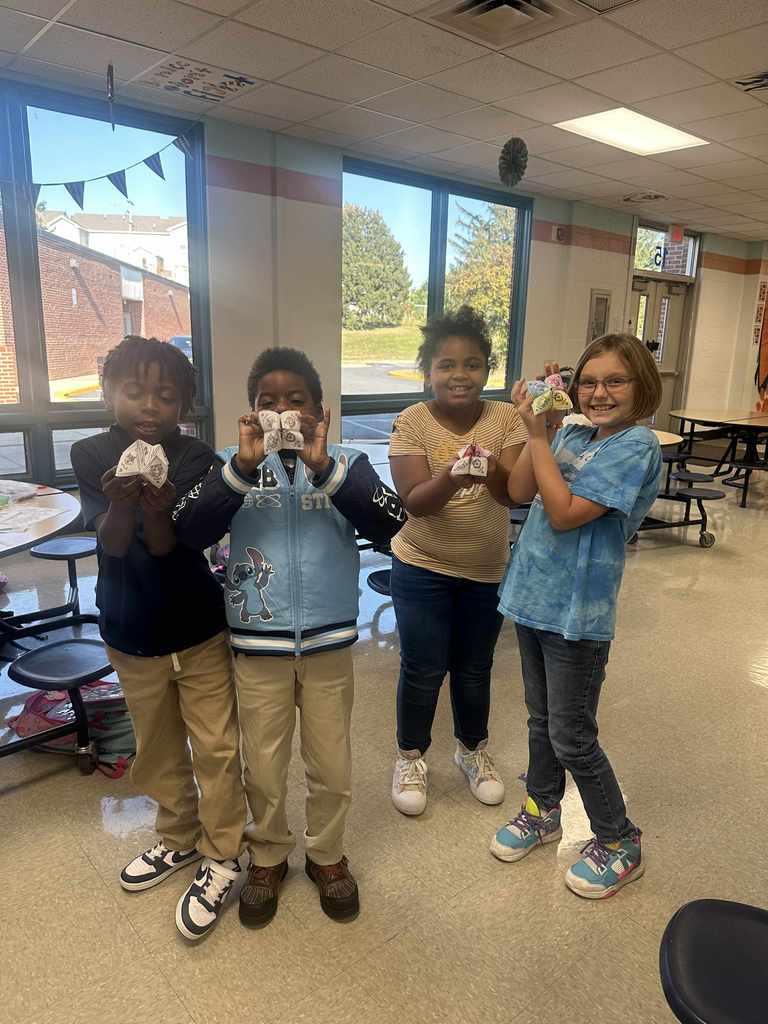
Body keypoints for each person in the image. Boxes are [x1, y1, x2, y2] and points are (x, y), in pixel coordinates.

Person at [173, 347, 405, 927]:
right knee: (265, 765)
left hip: (328, 646)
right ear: (251, 413)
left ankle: (327, 855)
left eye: (296, 401)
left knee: (332, 764)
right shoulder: (232, 465)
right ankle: (268, 855)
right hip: (258, 646)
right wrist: (242, 471)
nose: (283, 410)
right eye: (267, 402)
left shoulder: (346, 461)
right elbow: (189, 527)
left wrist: (326, 467)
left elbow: (390, 523)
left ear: (320, 411)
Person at [71, 335, 247, 941]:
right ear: (109, 393)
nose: (149, 406)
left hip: (197, 629)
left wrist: (158, 506)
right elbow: (113, 544)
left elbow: (173, 545)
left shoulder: (195, 456)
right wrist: (123, 502)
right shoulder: (90, 451)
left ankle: (223, 851)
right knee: (157, 746)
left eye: (166, 396)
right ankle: (177, 836)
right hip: (130, 629)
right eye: (134, 391)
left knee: (217, 747)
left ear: (185, 406)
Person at [490, 334, 662, 900]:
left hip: (577, 613)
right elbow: (519, 489)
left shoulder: (636, 446)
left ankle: (618, 839)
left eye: (615, 381)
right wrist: (529, 423)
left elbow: (563, 514)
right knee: (541, 720)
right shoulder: (573, 433)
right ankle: (543, 809)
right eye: (588, 381)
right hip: (535, 599)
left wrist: (541, 433)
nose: (599, 392)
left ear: (641, 386)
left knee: (572, 734)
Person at [388, 306, 527, 816]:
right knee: (423, 668)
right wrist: (452, 474)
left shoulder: (506, 419)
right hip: (421, 566)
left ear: (488, 369)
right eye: (446, 364)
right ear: (428, 370)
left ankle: (472, 751)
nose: (459, 375)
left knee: (474, 668)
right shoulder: (412, 421)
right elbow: (415, 501)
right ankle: (409, 756)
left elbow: (513, 494)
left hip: (486, 571)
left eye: (471, 364)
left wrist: (488, 470)